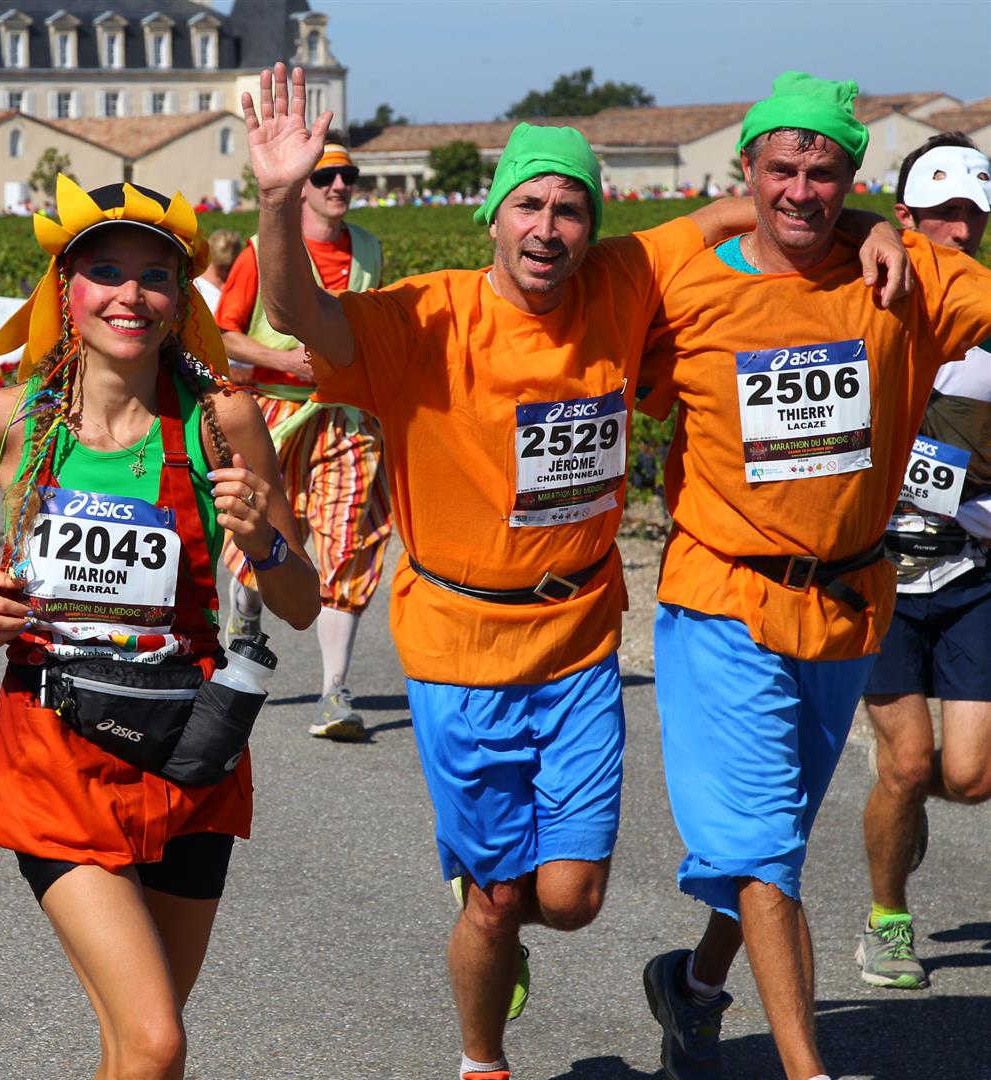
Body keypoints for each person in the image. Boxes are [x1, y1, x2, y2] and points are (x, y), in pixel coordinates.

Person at [240, 65, 910, 1080]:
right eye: (529, 206)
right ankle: (482, 1056)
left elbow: (766, 201)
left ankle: (505, 918)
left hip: (580, 637)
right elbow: (302, 316)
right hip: (458, 648)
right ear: (493, 220)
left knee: (571, 898)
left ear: (591, 225)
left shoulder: (622, 281)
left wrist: (868, 225)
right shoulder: (426, 318)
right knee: (501, 903)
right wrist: (278, 198)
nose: (549, 227)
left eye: (570, 207)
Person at [0, 173, 318, 1077]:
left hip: (192, 757)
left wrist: (264, 542)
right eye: (106, 271)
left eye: (155, 275)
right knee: (157, 1040)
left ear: (180, 299)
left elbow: (303, 603)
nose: (131, 294)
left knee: (133, 1048)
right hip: (55, 755)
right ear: (67, 289)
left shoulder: (225, 421)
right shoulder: (4, 420)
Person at [633, 72, 991, 1080]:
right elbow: (563, 302)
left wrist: (891, 228)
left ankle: (696, 985)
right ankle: (808, 1069)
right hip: (722, 599)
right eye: (780, 168)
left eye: (826, 171)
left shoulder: (905, 274)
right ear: (744, 172)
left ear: (852, 176)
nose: (801, 189)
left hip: (846, 604)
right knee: (759, 853)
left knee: (774, 842)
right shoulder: (683, 285)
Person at [854, 132, 991, 991]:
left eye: (972, 215)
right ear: (903, 220)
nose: (958, 231)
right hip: (880, 578)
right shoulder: (857, 309)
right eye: (940, 214)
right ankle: (887, 919)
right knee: (907, 763)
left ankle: (901, 812)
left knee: (969, 779)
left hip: (972, 572)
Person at [215, 137, 392, 739]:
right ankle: (245, 611)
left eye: (349, 176)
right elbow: (224, 334)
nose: (340, 186)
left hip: (344, 416)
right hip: (273, 413)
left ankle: (334, 693)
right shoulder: (261, 252)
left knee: (350, 538)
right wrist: (281, 361)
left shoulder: (368, 248)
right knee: (256, 529)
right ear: (304, 187)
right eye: (326, 177)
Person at [192, 228, 241, 314]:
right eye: (221, 267)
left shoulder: (239, 279)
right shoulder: (197, 284)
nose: (226, 271)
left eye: (231, 266)